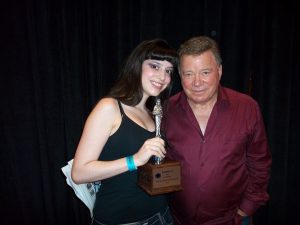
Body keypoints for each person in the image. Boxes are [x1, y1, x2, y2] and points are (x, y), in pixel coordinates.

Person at [162, 36, 272, 225]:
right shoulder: (166, 111)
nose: (197, 82)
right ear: (180, 75)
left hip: (232, 219)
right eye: (188, 74)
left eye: (205, 72)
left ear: (219, 71)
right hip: (178, 219)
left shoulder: (246, 108)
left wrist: (246, 208)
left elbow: (260, 163)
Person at [71, 39, 177, 225]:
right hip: (121, 220)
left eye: (168, 71)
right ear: (137, 66)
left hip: (162, 215)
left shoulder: (153, 113)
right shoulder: (110, 107)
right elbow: (79, 173)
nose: (163, 77)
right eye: (155, 66)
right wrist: (134, 160)